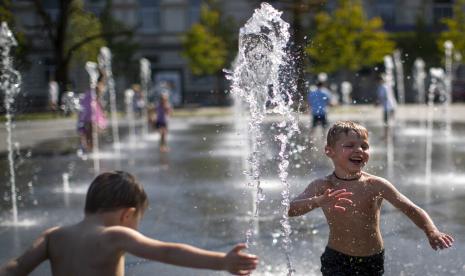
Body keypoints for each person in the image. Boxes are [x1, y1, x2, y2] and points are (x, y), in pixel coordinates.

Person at [0, 171, 259, 276]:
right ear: (127, 214)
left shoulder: (53, 235)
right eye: (137, 220)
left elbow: (16, 268)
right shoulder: (114, 236)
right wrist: (221, 261)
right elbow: (167, 251)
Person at [288, 121, 454, 276]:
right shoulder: (323, 186)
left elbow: (410, 208)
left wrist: (431, 231)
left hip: (372, 259)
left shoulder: (375, 185)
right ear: (329, 151)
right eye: (350, 145)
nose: (359, 150)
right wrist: (317, 202)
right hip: (337, 258)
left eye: (364, 146)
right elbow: (290, 210)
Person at [77, 72, 108, 153]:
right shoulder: (99, 85)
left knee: (88, 129)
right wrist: (102, 111)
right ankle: (91, 149)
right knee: (90, 129)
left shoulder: (94, 85)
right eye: (105, 77)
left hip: (87, 104)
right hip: (90, 107)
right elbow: (98, 99)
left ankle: (88, 148)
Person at [375, 75, 397, 139]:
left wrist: (378, 102)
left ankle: (387, 135)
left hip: (388, 107)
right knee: (390, 121)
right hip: (392, 106)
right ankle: (390, 135)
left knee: (386, 121)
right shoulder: (386, 86)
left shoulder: (383, 87)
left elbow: (385, 97)